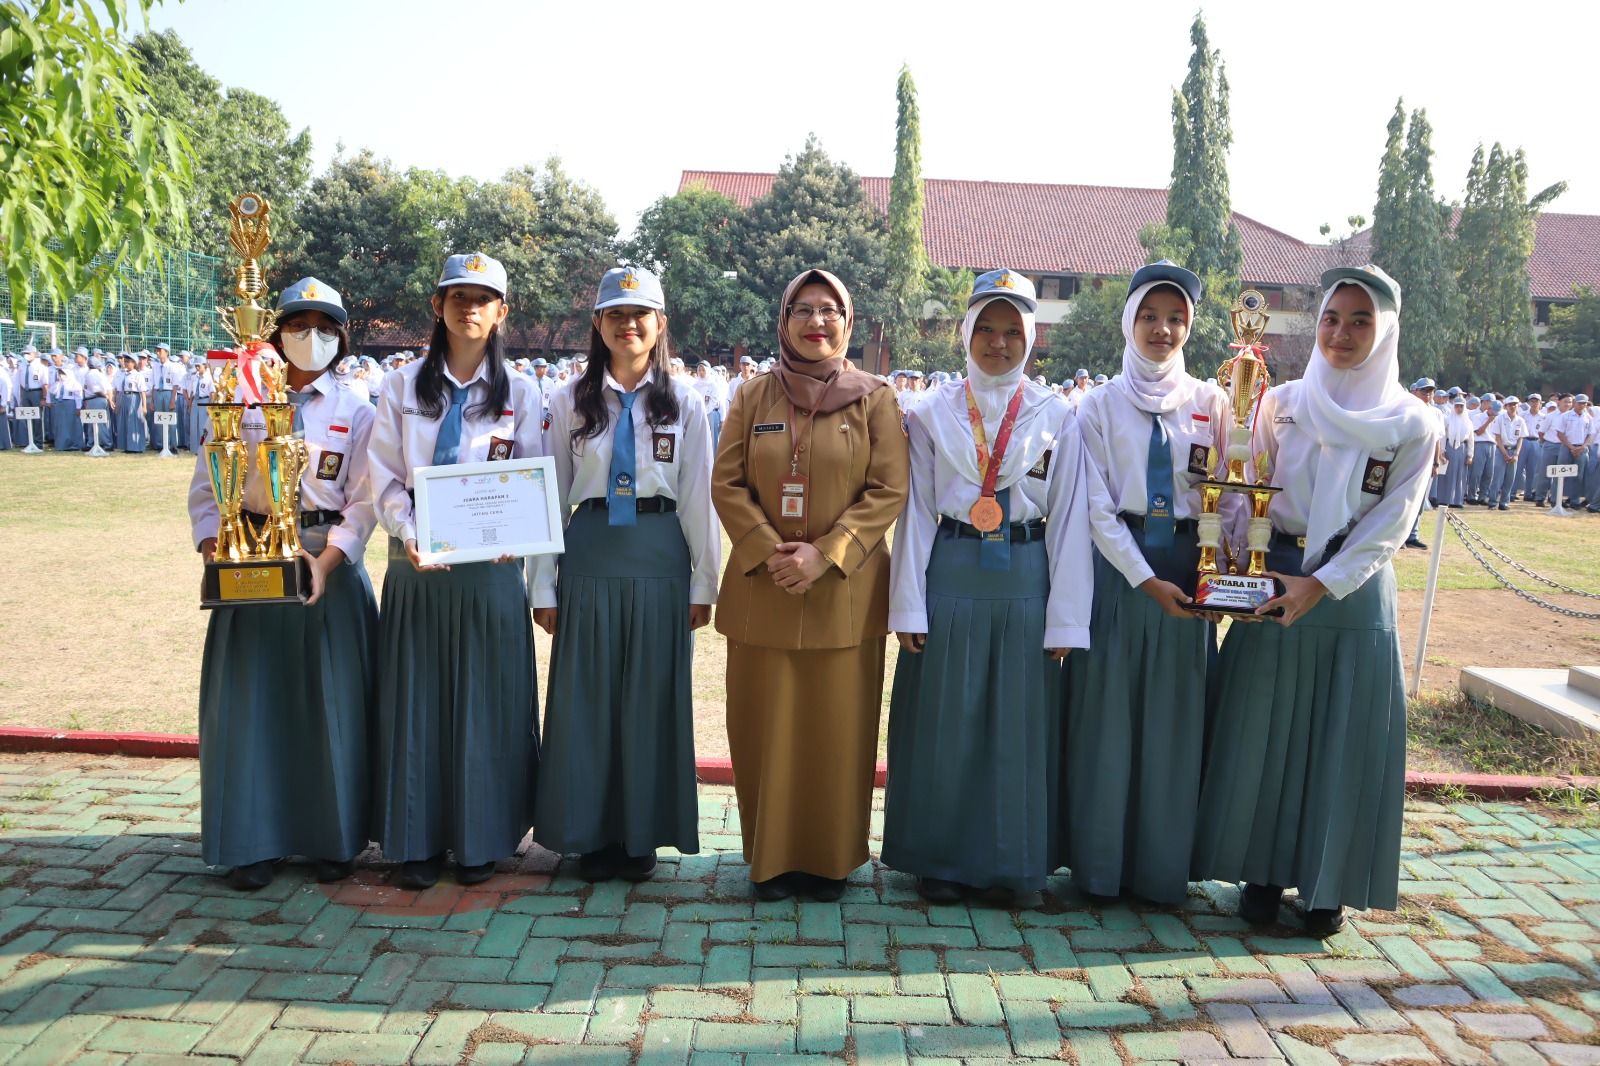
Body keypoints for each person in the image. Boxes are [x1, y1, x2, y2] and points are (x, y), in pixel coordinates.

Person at [1193, 265, 1437, 937]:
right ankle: (1262, 873)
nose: (1343, 333)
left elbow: (1393, 522)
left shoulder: (1412, 422)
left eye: (1361, 321)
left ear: (1385, 331)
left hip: (1350, 597)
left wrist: (1322, 585)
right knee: (1266, 731)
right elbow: (1251, 484)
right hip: (1277, 579)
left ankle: (1326, 886)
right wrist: (1231, 561)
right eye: (1332, 318)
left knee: (1338, 738)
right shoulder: (1283, 400)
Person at [883, 270, 1092, 906]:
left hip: (1027, 577)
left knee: (1018, 726)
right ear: (965, 333)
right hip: (952, 571)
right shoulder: (930, 413)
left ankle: (1015, 864)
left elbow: (1071, 521)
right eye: (986, 328)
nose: (997, 342)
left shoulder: (1059, 415)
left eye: (1011, 330)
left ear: (1030, 338)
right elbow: (915, 512)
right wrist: (909, 606)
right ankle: (941, 862)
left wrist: (1065, 621)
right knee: (949, 719)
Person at [712, 268, 909, 902]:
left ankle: (829, 862)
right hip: (764, 589)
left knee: (838, 730)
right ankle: (769, 860)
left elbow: (888, 489)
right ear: (784, 320)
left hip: (841, 594)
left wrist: (826, 555)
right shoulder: (752, 396)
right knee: (762, 726)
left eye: (830, 311)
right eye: (804, 309)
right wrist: (776, 554)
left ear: (848, 324)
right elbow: (728, 484)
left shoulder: (874, 397)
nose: (816, 321)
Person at [188, 277, 379, 890]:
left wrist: (324, 564)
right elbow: (204, 488)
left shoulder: (357, 410)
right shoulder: (238, 398)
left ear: (342, 338)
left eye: (326, 328)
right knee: (250, 707)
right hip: (251, 562)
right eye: (299, 325)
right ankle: (251, 842)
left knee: (333, 707)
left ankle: (334, 839)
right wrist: (215, 547)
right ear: (275, 333)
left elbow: (365, 502)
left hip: (327, 567)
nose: (312, 338)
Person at [530, 267, 719, 881]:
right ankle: (589, 834)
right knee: (586, 698)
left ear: (660, 324)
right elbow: (550, 496)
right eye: (616, 313)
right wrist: (544, 584)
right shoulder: (567, 400)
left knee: (650, 699)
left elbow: (698, 498)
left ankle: (640, 835)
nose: (628, 324)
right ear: (598, 324)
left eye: (641, 314)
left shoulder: (685, 401)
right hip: (588, 555)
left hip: (660, 553)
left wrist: (702, 582)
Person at [1060, 261, 1237, 906]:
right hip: (1121, 576)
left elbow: (1232, 495)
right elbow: (1097, 506)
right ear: (1129, 321)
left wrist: (1224, 575)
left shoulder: (1214, 403)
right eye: (1149, 316)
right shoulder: (1099, 404)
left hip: (1191, 576)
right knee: (1107, 721)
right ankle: (1102, 868)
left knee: (1173, 722)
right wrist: (1141, 578)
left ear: (1190, 326)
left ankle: (1162, 872)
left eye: (1175, 319)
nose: (1162, 330)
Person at [368, 252, 543, 890]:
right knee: (415, 705)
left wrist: (514, 531)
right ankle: (415, 841)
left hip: (490, 576)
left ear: (501, 312)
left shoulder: (521, 393)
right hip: (417, 569)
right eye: (457, 295)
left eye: (483, 297)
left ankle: (480, 839)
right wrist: (410, 533)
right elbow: (382, 478)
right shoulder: (400, 386)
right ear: (438, 306)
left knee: (486, 706)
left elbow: (533, 482)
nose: (470, 307)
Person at [1491, 396, 1529, 511]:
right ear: (1506, 406)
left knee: (1510, 478)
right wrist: (1504, 453)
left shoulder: (1520, 420)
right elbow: (1497, 437)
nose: (1513, 407)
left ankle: (1504, 502)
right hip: (1501, 449)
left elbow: (1521, 438)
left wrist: (1517, 453)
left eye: (1515, 404)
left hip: (1513, 449)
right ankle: (1492, 501)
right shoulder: (1500, 418)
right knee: (1497, 477)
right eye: (1510, 404)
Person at [47, 348, 84, 451]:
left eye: (63, 373)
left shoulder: (74, 383)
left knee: (72, 425)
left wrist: (78, 407)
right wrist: (49, 401)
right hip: (60, 405)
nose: (61, 375)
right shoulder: (58, 384)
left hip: (70, 405)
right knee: (60, 426)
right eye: (60, 374)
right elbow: (51, 391)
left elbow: (78, 396)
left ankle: (74, 444)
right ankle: (61, 445)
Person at [1438, 396, 1472, 508]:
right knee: (1448, 473)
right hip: (1449, 447)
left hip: (1462, 448)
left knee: (1460, 474)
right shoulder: (1448, 419)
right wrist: (1442, 450)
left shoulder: (1468, 421)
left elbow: (1471, 439)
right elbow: (1442, 436)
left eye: (1461, 406)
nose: (1459, 408)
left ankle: (1457, 500)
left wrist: (1470, 455)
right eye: (1457, 406)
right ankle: (1444, 499)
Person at [114, 353, 149, 453]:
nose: (125, 363)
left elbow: (142, 391)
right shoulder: (124, 374)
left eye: (128, 362)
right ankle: (127, 446)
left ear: (134, 363)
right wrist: (117, 403)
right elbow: (119, 389)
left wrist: (144, 406)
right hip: (124, 397)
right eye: (125, 361)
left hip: (134, 397)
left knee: (133, 421)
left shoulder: (137, 375)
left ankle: (136, 446)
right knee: (125, 421)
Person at [80, 355, 113, 451]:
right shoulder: (100, 374)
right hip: (96, 399)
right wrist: (109, 399)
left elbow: (96, 390)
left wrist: (106, 397)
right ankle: (91, 443)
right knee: (92, 422)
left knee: (98, 422)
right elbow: (109, 388)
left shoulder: (91, 374)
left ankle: (107, 444)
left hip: (96, 399)